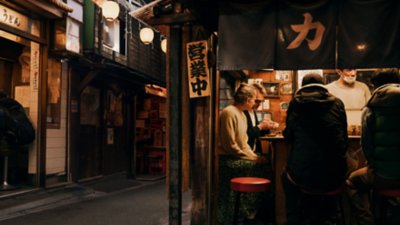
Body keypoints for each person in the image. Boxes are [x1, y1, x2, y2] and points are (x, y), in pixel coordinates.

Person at [282, 73, 348, 225]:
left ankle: (294, 220)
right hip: (334, 174)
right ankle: (332, 216)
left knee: (284, 175)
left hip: (303, 176)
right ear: (323, 85)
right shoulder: (337, 103)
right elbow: (344, 139)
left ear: (303, 87)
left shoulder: (295, 103)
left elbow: (288, 137)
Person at [346, 69, 400, 225]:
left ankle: (366, 220)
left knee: (352, 181)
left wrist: (373, 164)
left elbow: (366, 145)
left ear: (375, 85)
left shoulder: (371, 107)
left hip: (383, 177)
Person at [217, 83, 269, 225]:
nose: (254, 103)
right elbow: (230, 146)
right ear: (246, 99)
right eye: (254, 100)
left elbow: (244, 143)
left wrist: (254, 157)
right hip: (227, 159)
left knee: (264, 165)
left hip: (238, 156)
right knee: (260, 169)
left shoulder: (242, 114)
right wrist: (253, 159)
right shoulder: (229, 112)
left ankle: (248, 210)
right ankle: (246, 211)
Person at [244, 83, 278, 154]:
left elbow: (256, 133)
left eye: (261, 101)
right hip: (246, 153)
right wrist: (260, 126)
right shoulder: (243, 112)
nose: (259, 104)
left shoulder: (253, 111)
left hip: (254, 152)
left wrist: (267, 127)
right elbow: (244, 135)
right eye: (257, 101)